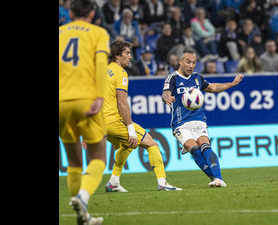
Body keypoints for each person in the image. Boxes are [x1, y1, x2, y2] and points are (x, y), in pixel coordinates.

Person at [103, 40, 182, 192]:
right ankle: (162, 182)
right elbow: (122, 103)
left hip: (100, 123)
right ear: (117, 55)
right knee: (152, 144)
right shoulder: (120, 73)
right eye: (127, 53)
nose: (130, 57)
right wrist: (130, 128)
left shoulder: (103, 71)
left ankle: (113, 182)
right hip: (113, 120)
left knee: (127, 145)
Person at [161, 47, 244, 187]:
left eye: (193, 62)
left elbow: (213, 88)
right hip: (180, 123)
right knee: (193, 148)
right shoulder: (173, 78)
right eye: (188, 62)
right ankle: (215, 178)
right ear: (180, 61)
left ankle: (218, 179)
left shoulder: (197, 78)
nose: (191, 65)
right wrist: (166, 98)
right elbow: (165, 93)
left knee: (205, 145)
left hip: (199, 120)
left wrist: (232, 83)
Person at [59, 0, 110, 224]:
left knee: (73, 163)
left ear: (70, 12)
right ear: (92, 13)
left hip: (61, 102)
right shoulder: (98, 33)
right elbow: (100, 64)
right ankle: (83, 196)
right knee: (98, 156)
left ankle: (83, 216)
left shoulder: (59, 33)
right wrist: (99, 96)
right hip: (86, 101)